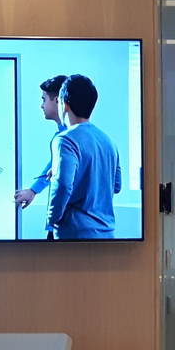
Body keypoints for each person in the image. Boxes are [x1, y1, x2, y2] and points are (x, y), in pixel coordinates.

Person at [46, 74, 121, 240]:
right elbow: (116, 185)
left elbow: (63, 186)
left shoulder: (65, 139)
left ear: (65, 104)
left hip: (75, 235)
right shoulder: (108, 141)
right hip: (107, 234)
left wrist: (52, 219)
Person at [14, 75, 66, 215]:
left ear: (57, 101)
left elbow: (62, 176)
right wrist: (33, 190)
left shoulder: (66, 138)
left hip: (66, 222)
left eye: (44, 100)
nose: (41, 106)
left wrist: (53, 218)